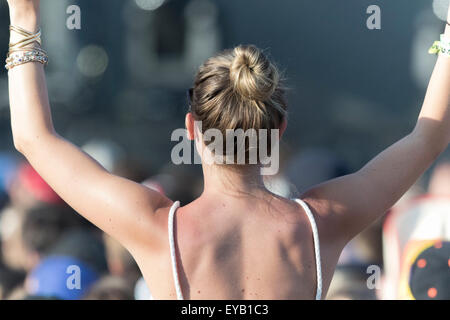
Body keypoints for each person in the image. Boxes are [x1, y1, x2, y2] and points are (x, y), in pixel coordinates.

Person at [5, 0, 450, 300]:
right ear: (278, 132)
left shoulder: (157, 229)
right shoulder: (320, 227)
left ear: (192, 129)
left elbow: (34, 138)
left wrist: (24, 20)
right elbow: (427, 137)